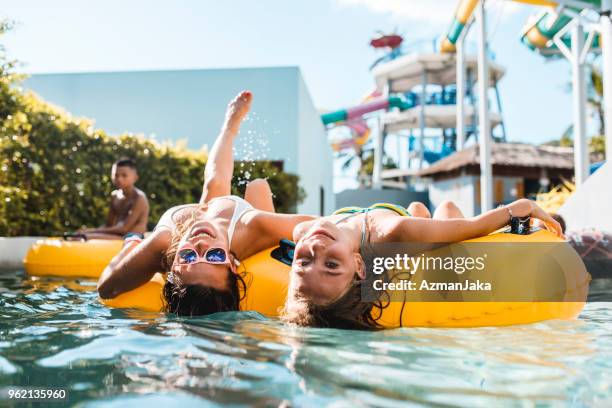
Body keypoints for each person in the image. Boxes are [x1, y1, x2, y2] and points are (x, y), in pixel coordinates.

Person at [97, 91, 316, 316]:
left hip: (196, 218)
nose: (200, 245)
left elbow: (106, 288)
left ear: (172, 268)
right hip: (233, 222)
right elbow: (324, 225)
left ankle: (229, 127)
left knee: (214, 184)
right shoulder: (252, 227)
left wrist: (131, 246)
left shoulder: (162, 244)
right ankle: (232, 132)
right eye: (214, 256)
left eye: (188, 256)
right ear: (232, 262)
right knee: (258, 185)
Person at [282, 199, 563, 330]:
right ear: (359, 264)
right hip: (408, 233)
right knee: (449, 208)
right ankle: (424, 215)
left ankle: (421, 213)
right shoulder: (393, 232)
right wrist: (526, 208)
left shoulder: (303, 233)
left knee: (420, 210)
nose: (316, 248)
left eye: (304, 261)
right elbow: (473, 227)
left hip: (409, 220)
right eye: (331, 264)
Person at [78, 158, 149, 240]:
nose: (119, 179)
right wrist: (88, 230)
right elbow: (109, 225)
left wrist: (91, 231)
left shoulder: (139, 197)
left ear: (135, 178)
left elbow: (124, 229)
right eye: (116, 175)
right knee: (79, 236)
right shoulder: (115, 195)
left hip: (133, 237)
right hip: (118, 235)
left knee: (84, 237)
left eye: (124, 175)